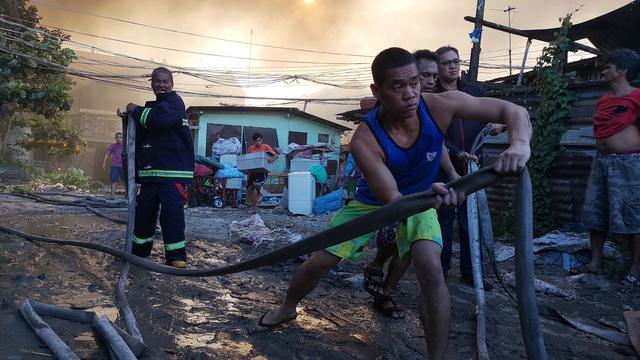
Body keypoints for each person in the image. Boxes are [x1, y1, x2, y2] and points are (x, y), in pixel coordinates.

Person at [253, 47, 531, 359]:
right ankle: (288, 307)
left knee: (431, 268)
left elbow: (514, 112)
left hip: (424, 198)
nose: (410, 93)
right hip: (378, 201)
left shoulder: (439, 106)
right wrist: (434, 196)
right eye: (398, 86)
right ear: (378, 91)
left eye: (415, 83)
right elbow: (394, 201)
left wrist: (519, 144)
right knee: (320, 262)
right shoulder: (365, 140)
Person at [362, 49, 461, 320]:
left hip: (427, 189)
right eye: (424, 75)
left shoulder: (435, 105)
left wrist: (452, 171)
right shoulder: (390, 112)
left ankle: (386, 292)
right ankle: (377, 266)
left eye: (430, 77)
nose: (429, 82)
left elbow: (436, 141)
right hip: (391, 190)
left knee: (415, 246)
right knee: (394, 240)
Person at [434, 45, 505, 288]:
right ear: (438, 67)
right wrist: (455, 152)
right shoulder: (434, 96)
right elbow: (433, 134)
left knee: (470, 221)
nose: (452, 66)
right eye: (446, 63)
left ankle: (471, 272)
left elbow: (493, 115)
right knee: (443, 220)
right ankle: (440, 273)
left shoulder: (473, 92)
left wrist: (498, 124)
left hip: (473, 166)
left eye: (455, 61)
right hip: (443, 167)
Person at [570, 48, 640, 286]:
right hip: (601, 163)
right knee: (595, 213)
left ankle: (636, 268)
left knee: (633, 215)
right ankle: (595, 263)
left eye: (609, 66)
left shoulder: (637, 97)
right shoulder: (604, 99)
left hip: (628, 165)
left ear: (623, 71)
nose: (604, 70)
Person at [117, 67, 194, 269]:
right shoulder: (155, 107)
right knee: (144, 215)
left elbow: (156, 119)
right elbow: (146, 125)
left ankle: (176, 257)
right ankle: (140, 253)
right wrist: (128, 117)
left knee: (172, 217)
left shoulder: (175, 103)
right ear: (151, 83)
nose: (161, 85)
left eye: (165, 81)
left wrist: (135, 110)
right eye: (157, 81)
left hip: (172, 175)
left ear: (172, 84)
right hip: (151, 176)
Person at [246, 132, 278, 214]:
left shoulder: (266, 147)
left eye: (259, 140)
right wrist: (248, 174)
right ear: (254, 141)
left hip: (262, 172)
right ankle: (254, 208)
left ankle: (260, 193)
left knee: (256, 184)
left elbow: (276, 156)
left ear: (262, 140)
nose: (258, 142)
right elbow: (247, 160)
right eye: (256, 141)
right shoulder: (251, 148)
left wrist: (271, 160)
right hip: (252, 171)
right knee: (250, 189)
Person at [102, 132, 124, 198]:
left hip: (124, 166)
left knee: (126, 181)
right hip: (115, 166)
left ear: (123, 138)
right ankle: (112, 195)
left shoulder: (127, 146)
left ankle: (128, 195)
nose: (119, 139)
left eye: (120, 137)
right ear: (115, 138)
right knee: (114, 180)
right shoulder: (113, 146)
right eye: (118, 137)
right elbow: (107, 154)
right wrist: (104, 163)